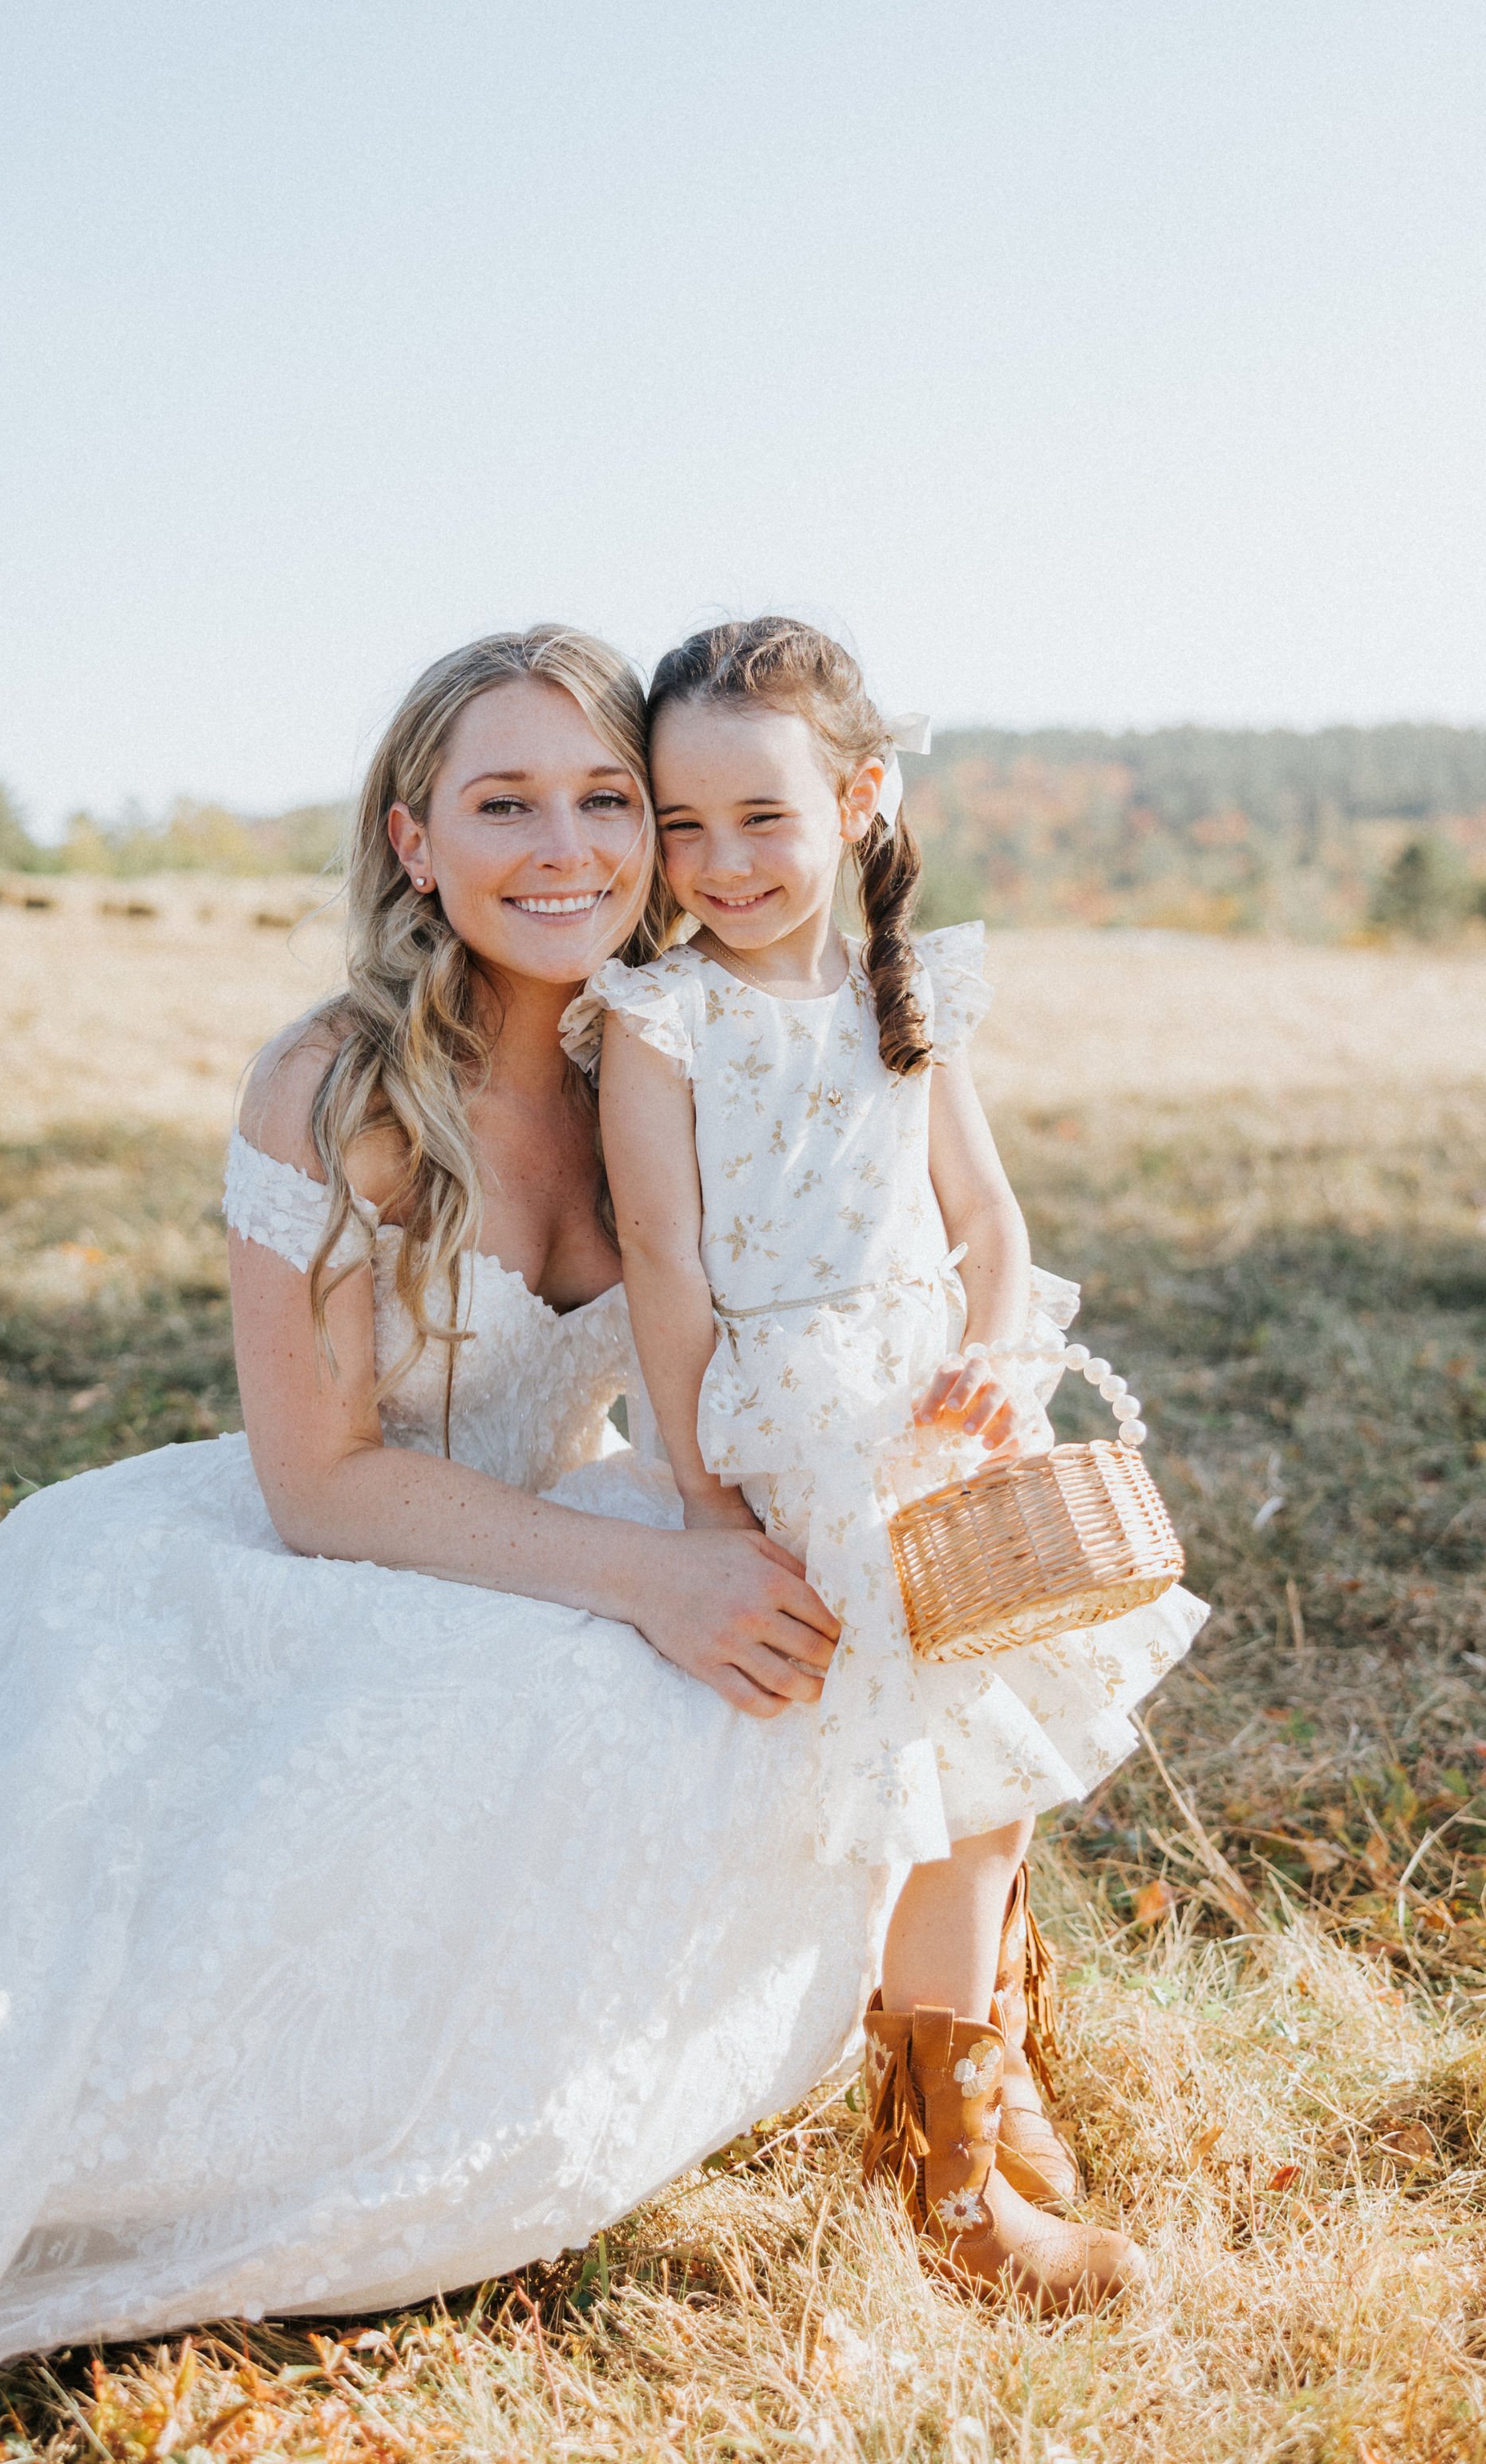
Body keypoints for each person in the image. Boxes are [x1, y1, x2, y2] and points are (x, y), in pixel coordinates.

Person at [0, 628, 873, 2407]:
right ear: (413, 839)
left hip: (555, 1509)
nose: (564, 846)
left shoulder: (673, 1052)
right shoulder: (334, 1082)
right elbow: (316, 1479)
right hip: (316, 1548)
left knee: (766, 1671)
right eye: (502, 802)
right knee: (521, 1714)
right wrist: (648, 1579)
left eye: (604, 798)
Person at [568, 618, 1209, 2305]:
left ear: (857, 795)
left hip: (941, 1412)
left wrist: (998, 1362)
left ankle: (985, 2085)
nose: (717, 866)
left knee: (1000, 1764)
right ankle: (946, 2187)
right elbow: (664, 1261)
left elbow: (986, 1222)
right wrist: (707, 1498)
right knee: (946, 1788)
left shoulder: (900, 988)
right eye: (681, 828)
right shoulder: (660, 1016)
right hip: (799, 1435)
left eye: (758, 819)